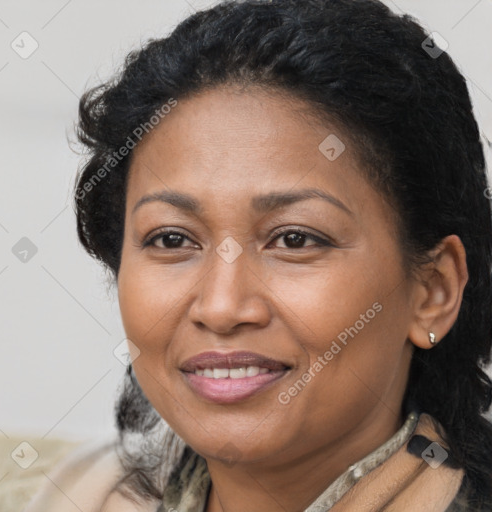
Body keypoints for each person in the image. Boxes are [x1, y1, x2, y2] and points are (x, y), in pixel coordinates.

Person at [24, 0, 492, 510]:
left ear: (434, 290)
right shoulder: (74, 495)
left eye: (294, 239)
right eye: (172, 239)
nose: (222, 308)